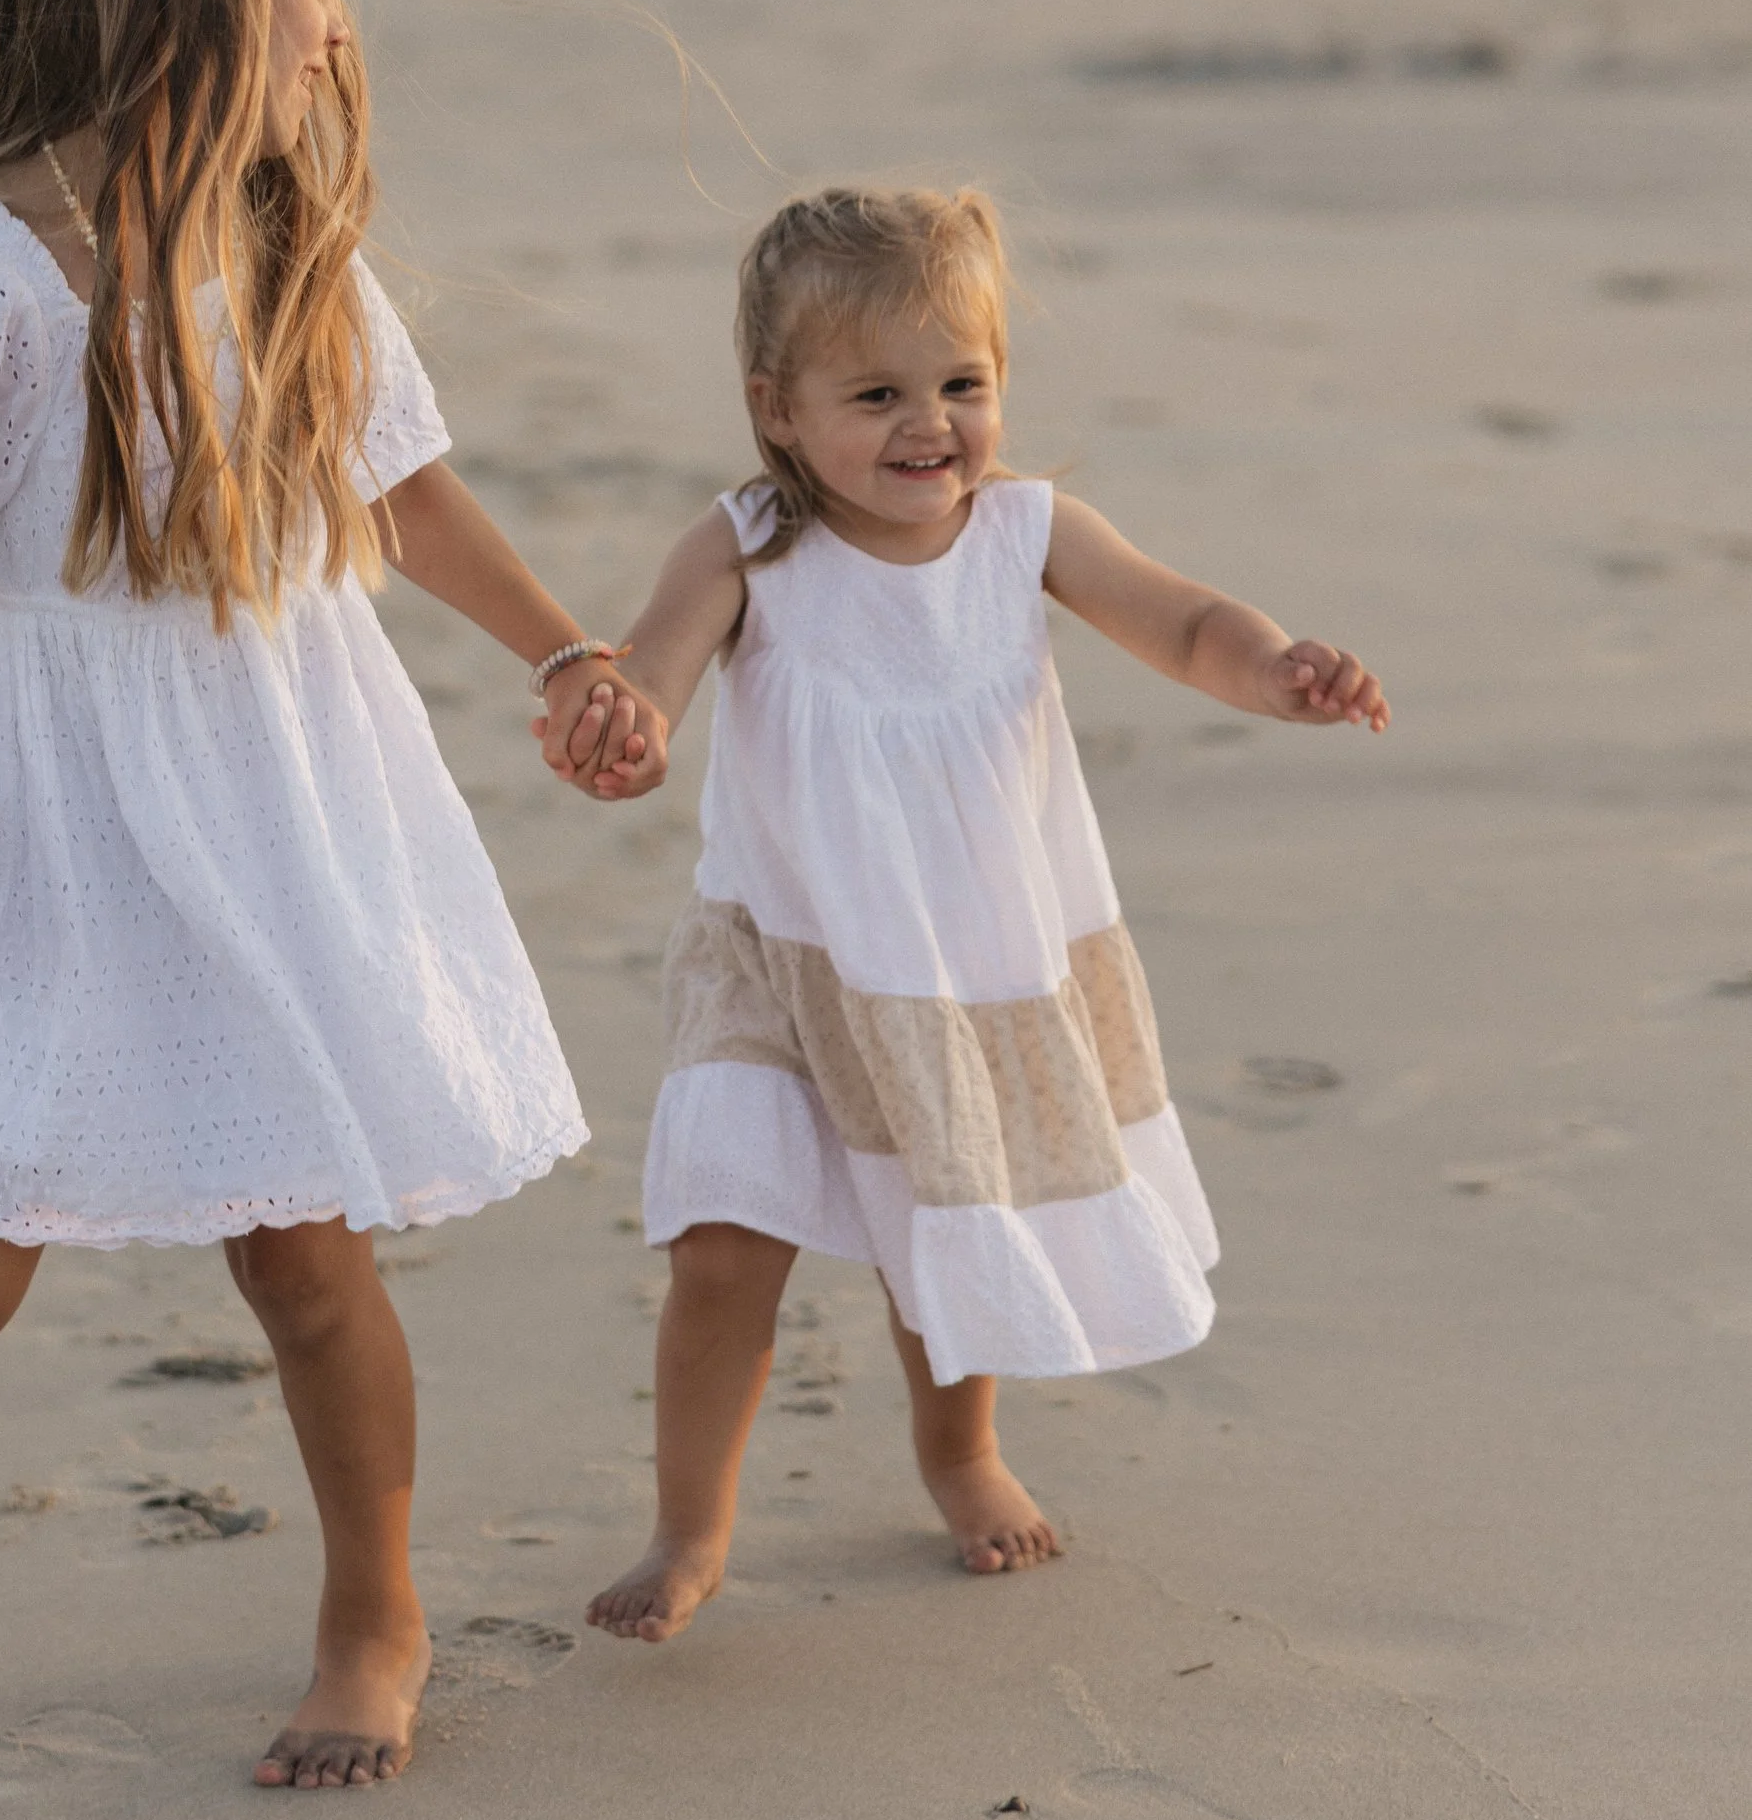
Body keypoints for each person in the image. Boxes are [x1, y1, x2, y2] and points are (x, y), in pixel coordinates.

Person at [0, 0, 660, 1788]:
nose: (338, 7)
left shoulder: (283, 234)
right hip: (51, 826)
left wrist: (567, 646)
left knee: (305, 1248)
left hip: (281, 796)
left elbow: (398, 494)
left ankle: (370, 1610)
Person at [571, 183, 1386, 1641]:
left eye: (963, 383)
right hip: (778, 954)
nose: (928, 423)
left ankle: (961, 1454)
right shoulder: (748, 545)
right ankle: (690, 1528)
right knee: (721, 1243)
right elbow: (656, 671)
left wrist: (1274, 669)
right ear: (777, 409)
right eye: (876, 392)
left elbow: (1183, 620)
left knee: (944, 1217)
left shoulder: (1025, 531)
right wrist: (623, 724)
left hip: (957, 963)